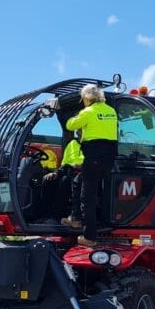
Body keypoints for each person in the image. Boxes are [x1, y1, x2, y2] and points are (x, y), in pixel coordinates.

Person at [63, 83, 118, 246]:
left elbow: (70, 126)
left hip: (94, 156)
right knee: (81, 183)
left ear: (87, 98)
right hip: (108, 158)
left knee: (88, 198)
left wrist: (73, 117)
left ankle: (90, 236)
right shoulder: (111, 110)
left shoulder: (88, 112)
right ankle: (76, 219)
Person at [44, 130, 83, 222]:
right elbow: (65, 163)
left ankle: (75, 218)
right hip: (70, 171)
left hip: (86, 172)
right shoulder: (72, 144)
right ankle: (48, 216)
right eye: (78, 130)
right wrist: (55, 173)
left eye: (81, 129)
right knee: (49, 180)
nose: (78, 131)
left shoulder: (92, 144)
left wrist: (81, 166)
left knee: (67, 182)